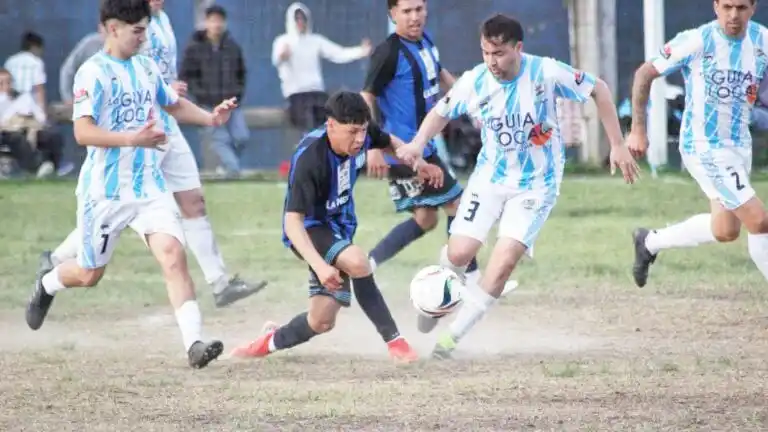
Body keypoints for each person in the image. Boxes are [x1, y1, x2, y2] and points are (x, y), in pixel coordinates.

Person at [396, 13, 639, 359]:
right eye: (485, 53)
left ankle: (448, 343)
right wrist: (419, 143)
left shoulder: (546, 72)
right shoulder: (475, 80)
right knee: (459, 253)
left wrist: (617, 143)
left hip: (536, 187)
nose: (491, 61)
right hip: (490, 180)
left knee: (502, 264)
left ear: (518, 49)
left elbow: (598, 88)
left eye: (499, 53)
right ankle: (436, 297)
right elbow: (442, 112)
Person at [24, 0, 239, 369]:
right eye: (138, 30)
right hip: (104, 193)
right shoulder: (92, 73)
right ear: (112, 28)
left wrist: (210, 118)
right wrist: (131, 139)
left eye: (145, 29)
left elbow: (172, 104)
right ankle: (47, 284)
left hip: (149, 188)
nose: (144, 37)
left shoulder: (146, 66)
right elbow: (82, 131)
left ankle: (195, 345)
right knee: (89, 274)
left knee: (174, 254)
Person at [230, 91, 444, 363]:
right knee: (358, 262)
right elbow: (292, 222)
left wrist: (420, 163)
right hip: (310, 229)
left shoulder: (363, 133)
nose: (359, 140)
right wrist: (320, 267)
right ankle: (396, 343)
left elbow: (389, 142)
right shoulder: (310, 158)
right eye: (352, 132)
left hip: (339, 227)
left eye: (362, 132)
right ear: (331, 125)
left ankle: (267, 341)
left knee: (321, 321)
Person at [361, 0, 516, 334]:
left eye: (419, 8)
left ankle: (368, 265)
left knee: (425, 219)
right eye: (406, 11)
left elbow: (445, 78)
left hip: (425, 147)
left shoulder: (425, 42)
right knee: (458, 206)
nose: (414, 16)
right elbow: (367, 97)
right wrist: (373, 144)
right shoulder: (387, 53)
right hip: (404, 150)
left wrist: (476, 100)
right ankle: (472, 279)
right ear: (392, 15)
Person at [627, 0, 768, 288]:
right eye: (727, 6)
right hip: (704, 145)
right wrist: (638, 129)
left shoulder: (762, 40)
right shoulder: (696, 40)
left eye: (741, 7)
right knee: (760, 221)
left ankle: (650, 242)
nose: (733, 15)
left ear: (753, 7)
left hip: (739, 145)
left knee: (726, 229)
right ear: (715, 5)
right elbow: (644, 74)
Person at [272, 2, 372, 132]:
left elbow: (338, 53)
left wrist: (361, 51)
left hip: (317, 93)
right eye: (297, 18)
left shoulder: (315, 40)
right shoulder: (283, 41)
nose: (300, 22)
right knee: (306, 126)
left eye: (303, 18)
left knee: (328, 123)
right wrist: (282, 55)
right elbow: (277, 59)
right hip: (296, 95)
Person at [180, 5, 248, 177]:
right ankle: (234, 171)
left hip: (231, 104)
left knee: (241, 138)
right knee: (220, 140)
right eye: (213, 20)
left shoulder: (233, 47)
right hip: (208, 104)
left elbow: (242, 73)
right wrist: (201, 95)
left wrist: (237, 94)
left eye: (219, 21)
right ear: (206, 23)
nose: (216, 24)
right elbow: (186, 75)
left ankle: (227, 167)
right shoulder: (194, 47)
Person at [4, 32, 47, 114]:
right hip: (30, 106)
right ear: (34, 47)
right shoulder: (37, 62)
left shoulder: (10, 61)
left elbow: (5, 86)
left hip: (11, 106)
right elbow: (39, 89)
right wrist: (42, 112)